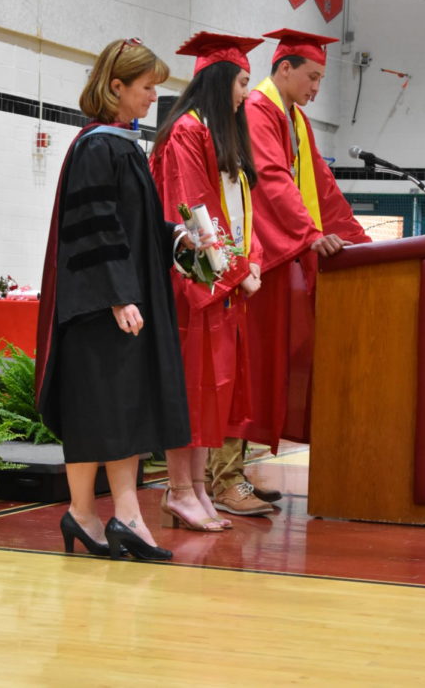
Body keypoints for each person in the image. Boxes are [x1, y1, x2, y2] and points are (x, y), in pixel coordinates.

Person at [35, 38, 199, 562]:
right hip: (100, 307)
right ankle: (98, 514)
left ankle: (104, 514)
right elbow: (95, 229)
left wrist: (176, 238)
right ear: (116, 87)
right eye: (148, 87)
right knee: (97, 410)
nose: (155, 96)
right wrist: (119, 296)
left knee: (117, 409)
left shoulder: (122, 145)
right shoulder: (98, 146)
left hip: (118, 301)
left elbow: (133, 227)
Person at [208, 29, 371, 510]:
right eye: (313, 76)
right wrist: (307, 235)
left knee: (261, 373)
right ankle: (222, 479)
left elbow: (321, 184)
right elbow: (273, 181)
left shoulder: (294, 119)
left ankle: (235, 473)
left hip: (277, 265)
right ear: (284, 69)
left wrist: (361, 241)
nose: (318, 87)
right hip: (259, 262)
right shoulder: (259, 110)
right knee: (245, 370)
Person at [150, 32, 274, 521]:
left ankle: (196, 488)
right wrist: (235, 270)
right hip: (195, 287)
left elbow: (242, 211)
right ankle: (178, 488)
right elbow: (191, 210)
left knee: (212, 393)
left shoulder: (219, 135)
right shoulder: (186, 131)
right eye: (243, 81)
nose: (247, 92)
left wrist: (255, 259)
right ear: (221, 79)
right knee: (192, 388)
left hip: (224, 287)